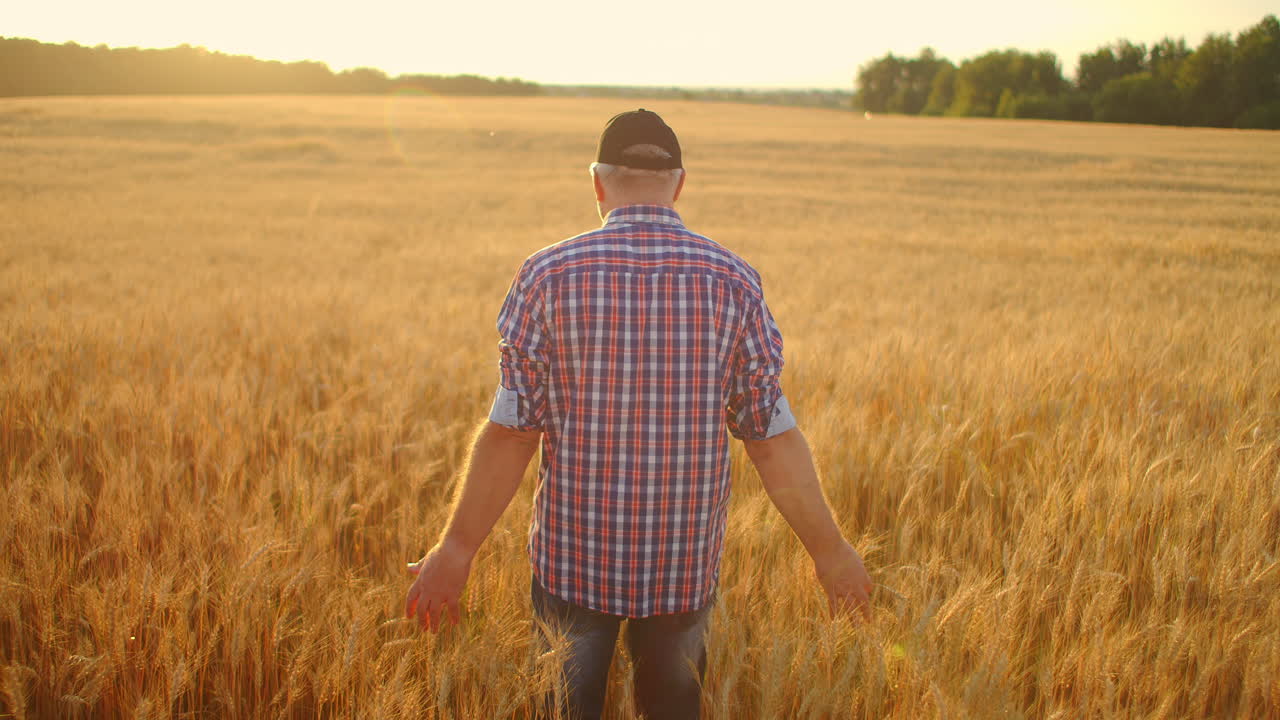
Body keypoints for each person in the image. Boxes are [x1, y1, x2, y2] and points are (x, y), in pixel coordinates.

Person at [404, 109, 873, 720]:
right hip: (683, 571)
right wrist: (831, 551)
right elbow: (770, 436)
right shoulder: (733, 281)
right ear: (679, 183)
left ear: (597, 182)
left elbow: (512, 432)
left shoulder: (546, 276)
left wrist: (456, 550)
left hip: (572, 566)